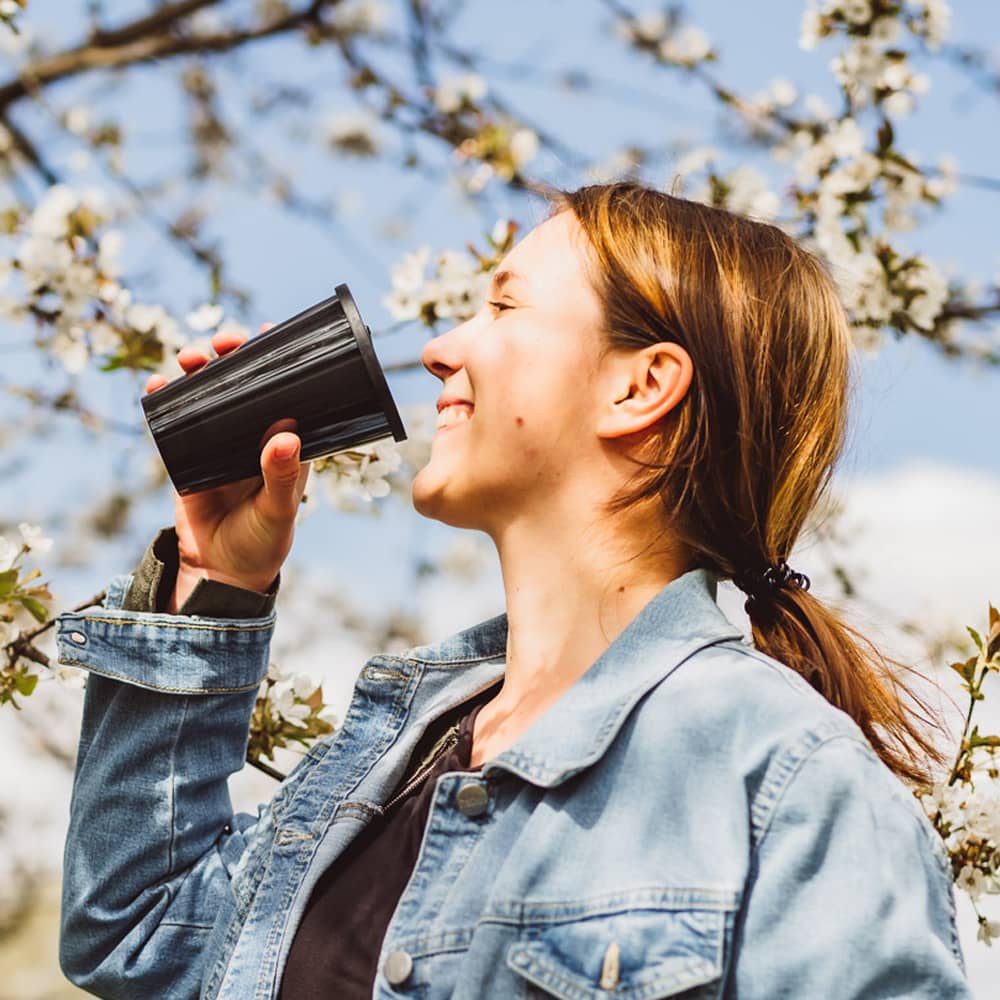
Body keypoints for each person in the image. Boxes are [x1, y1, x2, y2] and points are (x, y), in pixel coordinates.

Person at [58, 183, 971, 999]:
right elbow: (132, 932)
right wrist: (213, 582)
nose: (440, 349)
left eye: (503, 305)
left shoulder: (790, 789)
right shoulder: (394, 754)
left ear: (641, 386)